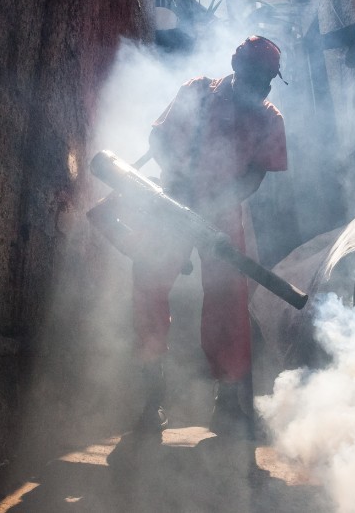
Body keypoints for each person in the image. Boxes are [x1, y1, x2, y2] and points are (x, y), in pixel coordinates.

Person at [131, 36, 288, 440]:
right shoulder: (197, 91)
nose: (263, 87)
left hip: (222, 213)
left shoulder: (270, 118)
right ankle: (152, 399)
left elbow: (255, 176)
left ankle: (228, 401)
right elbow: (158, 139)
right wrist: (180, 180)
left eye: (269, 80)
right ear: (237, 68)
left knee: (227, 298)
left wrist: (221, 197)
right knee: (150, 283)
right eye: (257, 76)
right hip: (174, 201)